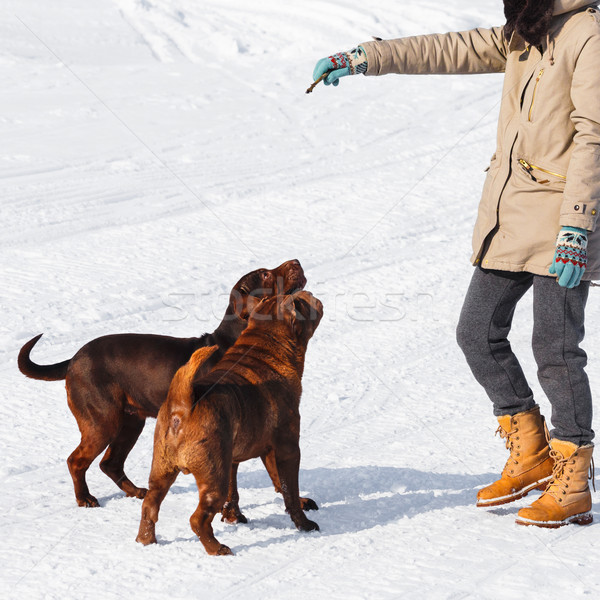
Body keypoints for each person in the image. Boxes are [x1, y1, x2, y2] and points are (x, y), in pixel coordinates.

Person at [313, 0, 599, 527]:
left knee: (555, 348)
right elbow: (450, 48)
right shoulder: (528, 27)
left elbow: (594, 135)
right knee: (476, 331)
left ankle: (574, 476)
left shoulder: (586, 33)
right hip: (512, 213)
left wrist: (577, 226)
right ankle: (531, 449)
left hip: (564, 222)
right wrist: (363, 57)